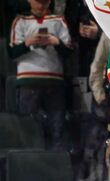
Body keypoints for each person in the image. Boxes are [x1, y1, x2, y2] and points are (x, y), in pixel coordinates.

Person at [8, 0, 72, 150]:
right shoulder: (20, 21)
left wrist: (56, 42)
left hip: (54, 79)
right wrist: (27, 43)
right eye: (37, 2)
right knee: (27, 127)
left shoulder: (58, 20)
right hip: (28, 79)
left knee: (57, 127)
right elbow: (12, 53)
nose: (40, 5)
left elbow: (68, 51)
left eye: (44, 2)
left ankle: (56, 162)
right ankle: (28, 161)